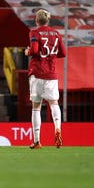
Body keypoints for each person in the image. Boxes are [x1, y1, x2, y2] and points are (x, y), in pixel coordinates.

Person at [24, 9, 66, 149]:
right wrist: (51, 56)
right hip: (51, 74)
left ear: (37, 20)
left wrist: (27, 51)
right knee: (54, 102)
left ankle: (36, 141)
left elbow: (35, 50)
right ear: (48, 20)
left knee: (36, 106)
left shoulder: (34, 33)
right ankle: (58, 129)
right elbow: (63, 52)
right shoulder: (56, 33)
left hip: (37, 73)